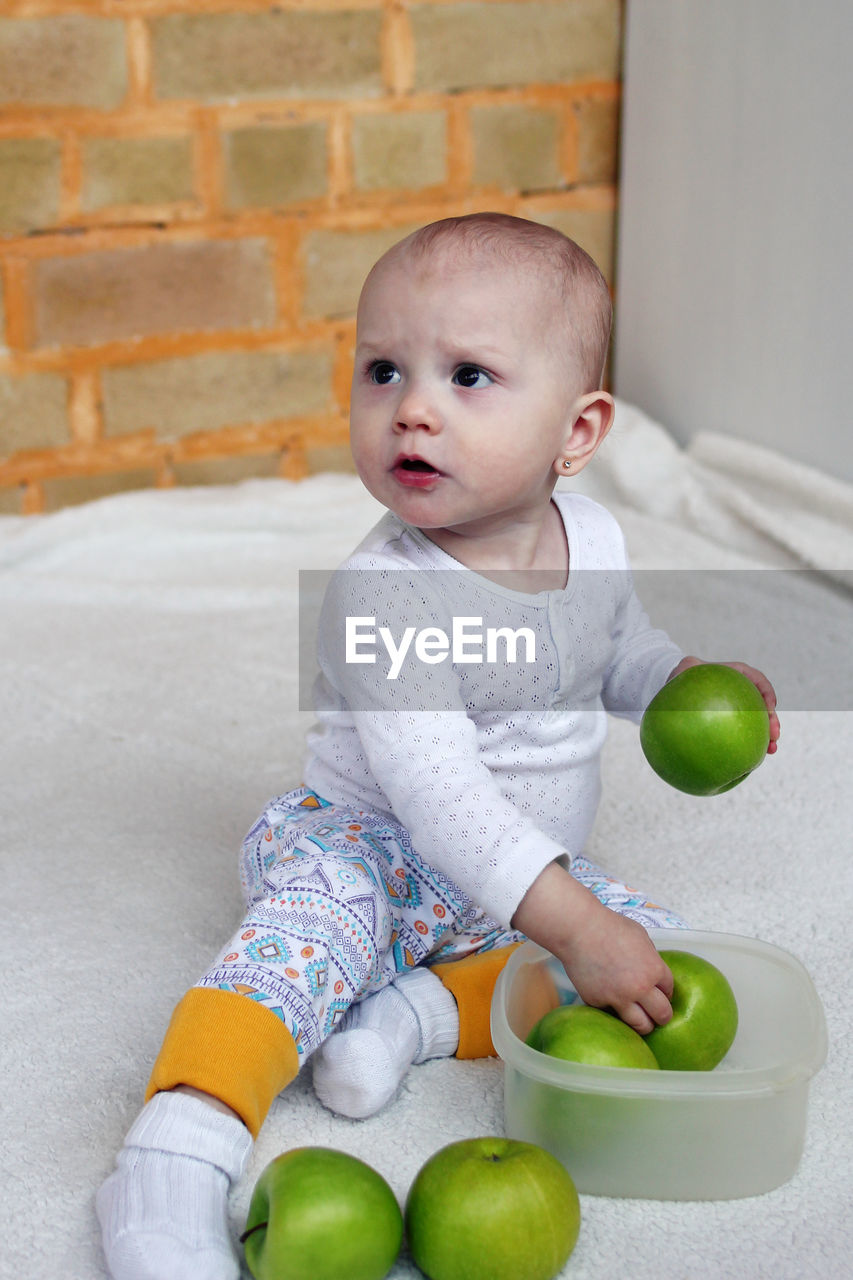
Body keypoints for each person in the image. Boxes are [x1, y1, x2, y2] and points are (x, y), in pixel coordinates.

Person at [96, 212, 779, 1279]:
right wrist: (576, 922)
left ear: (577, 431)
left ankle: (409, 1018)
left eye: (467, 375)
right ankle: (171, 1154)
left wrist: (685, 683)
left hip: (513, 877)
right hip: (374, 847)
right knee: (299, 948)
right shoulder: (388, 592)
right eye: (382, 370)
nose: (410, 407)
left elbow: (620, 647)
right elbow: (442, 799)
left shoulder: (591, 537)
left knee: (654, 946)